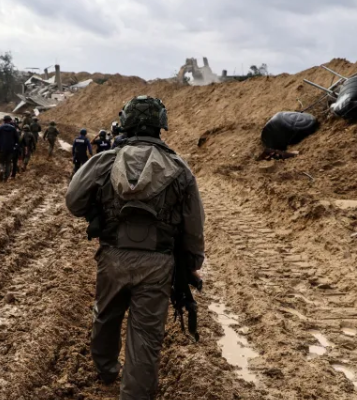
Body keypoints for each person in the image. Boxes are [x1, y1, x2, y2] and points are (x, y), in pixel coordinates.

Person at [65, 95, 205, 399]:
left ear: (125, 123)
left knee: (106, 315)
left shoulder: (104, 161)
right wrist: (193, 261)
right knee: (145, 337)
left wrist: (98, 209)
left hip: (113, 256)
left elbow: (73, 202)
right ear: (160, 125)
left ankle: (106, 370)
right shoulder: (179, 168)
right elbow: (193, 223)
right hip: (158, 263)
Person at [0, 115, 20, 182]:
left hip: (1, 148)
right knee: (8, 163)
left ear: (4, 120)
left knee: (1, 162)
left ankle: (1, 170)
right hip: (10, 149)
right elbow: (17, 139)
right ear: (10, 120)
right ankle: (6, 178)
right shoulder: (13, 129)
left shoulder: (0, 128)